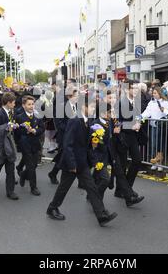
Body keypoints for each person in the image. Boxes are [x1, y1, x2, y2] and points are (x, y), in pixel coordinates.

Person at [46, 99, 119, 227]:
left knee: (91, 187)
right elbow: (67, 144)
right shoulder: (74, 120)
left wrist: (93, 154)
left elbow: (87, 144)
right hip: (72, 162)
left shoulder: (89, 121)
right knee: (64, 187)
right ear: (83, 106)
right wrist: (72, 164)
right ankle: (52, 208)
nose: (92, 109)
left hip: (83, 162)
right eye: (91, 107)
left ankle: (101, 215)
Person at [115, 80, 146, 198]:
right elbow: (117, 122)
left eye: (137, 88)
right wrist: (130, 125)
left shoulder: (137, 102)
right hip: (122, 137)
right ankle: (121, 191)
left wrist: (139, 123)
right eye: (134, 88)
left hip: (133, 136)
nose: (136, 90)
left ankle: (127, 188)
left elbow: (139, 116)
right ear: (127, 89)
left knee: (137, 161)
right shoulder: (120, 103)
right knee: (122, 166)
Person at [15, 96, 45, 196]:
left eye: (32, 104)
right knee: (31, 166)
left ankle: (23, 174)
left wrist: (35, 131)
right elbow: (17, 132)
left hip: (35, 143)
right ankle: (33, 187)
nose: (31, 106)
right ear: (23, 105)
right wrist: (24, 134)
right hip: (25, 144)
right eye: (29, 104)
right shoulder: (19, 117)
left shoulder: (38, 116)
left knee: (35, 164)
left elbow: (42, 128)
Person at [141, 87, 168, 171]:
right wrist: (140, 117)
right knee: (153, 145)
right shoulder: (151, 102)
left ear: (160, 93)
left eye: (155, 93)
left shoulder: (165, 102)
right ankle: (155, 162)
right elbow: (147, 112)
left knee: (160, 145)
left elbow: (167, 113)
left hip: (161, 126)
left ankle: (160, 163)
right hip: (153, 126)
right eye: (153, 93)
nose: (153, 94)